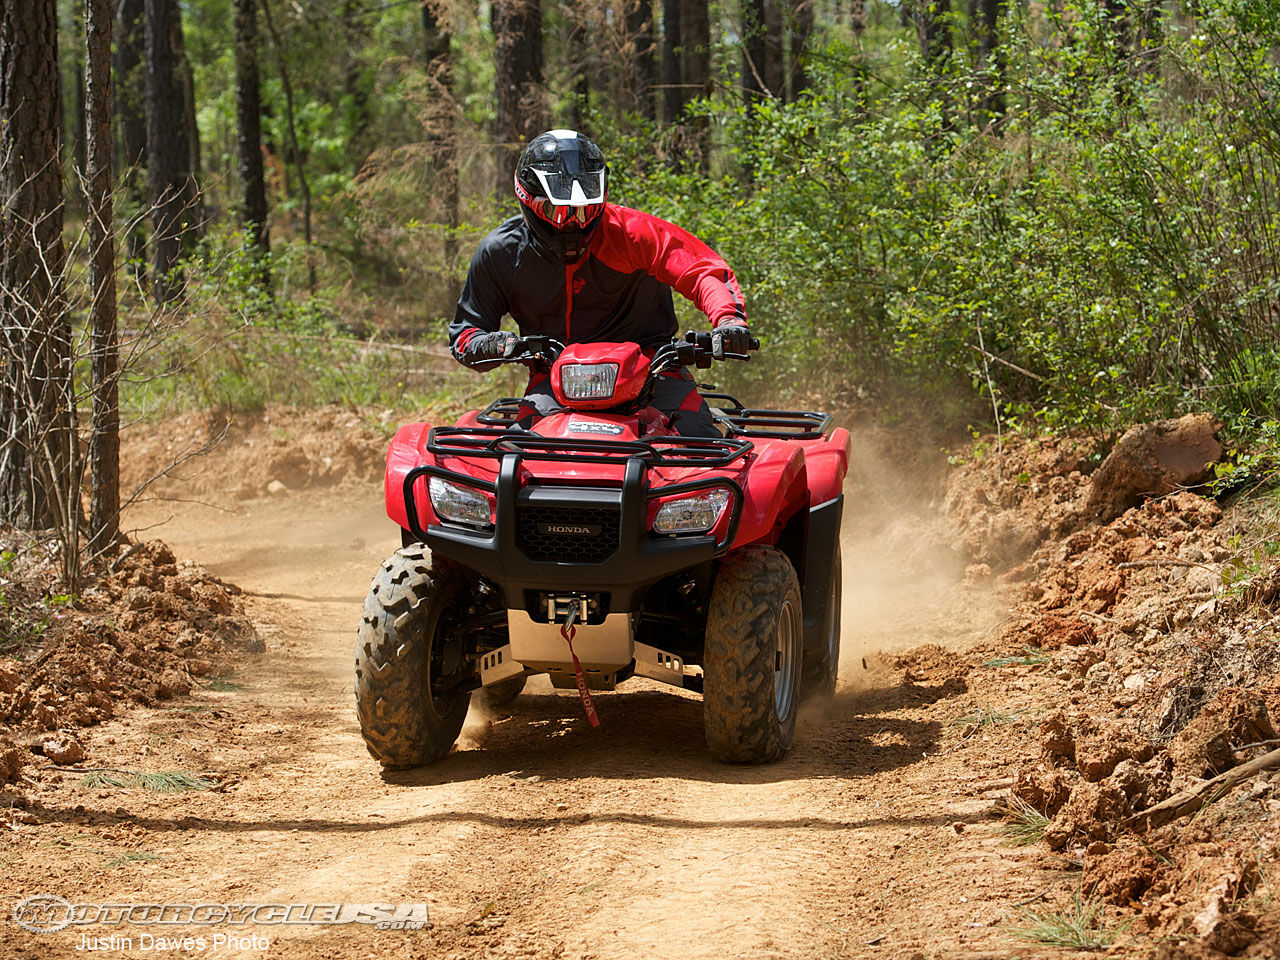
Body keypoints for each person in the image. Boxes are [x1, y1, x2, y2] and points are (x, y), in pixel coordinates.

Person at [448, 129, 752, 437]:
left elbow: (701, 270)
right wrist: (494, 344)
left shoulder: (632, 233)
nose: (573, 224)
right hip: (555, 378)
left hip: (653, 368)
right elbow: (466, 333)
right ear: (527, 201)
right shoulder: (501, 253)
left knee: (702, 448)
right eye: (557, 211)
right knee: (518, 452)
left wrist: (728, 320)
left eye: (585, 211)